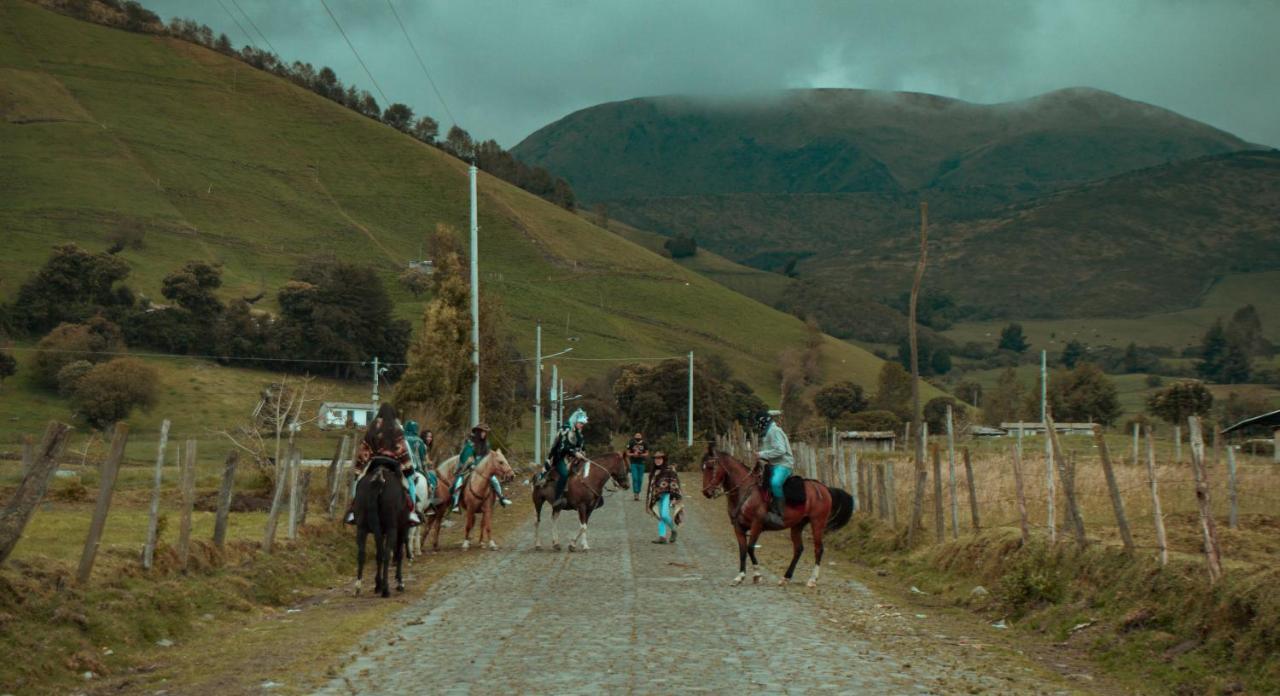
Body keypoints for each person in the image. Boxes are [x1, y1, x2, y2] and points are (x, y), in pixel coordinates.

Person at [345, 403, 420, 526]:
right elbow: (402, 450)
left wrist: (358, 469)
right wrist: (408, 468)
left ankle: (353, 510)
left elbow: (364, 449)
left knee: (358, 482)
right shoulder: (397, 428)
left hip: (375, 462)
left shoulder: (373, 427)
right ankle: (412, 512)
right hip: (393, 464)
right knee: (410, 483)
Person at [450, 423, 511, 512]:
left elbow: (488, 457)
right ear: (478, 432)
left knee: (494, 481)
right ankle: (455, 504)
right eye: (482, 432)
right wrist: (472, 464)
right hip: (469, 469)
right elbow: (465, 458)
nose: (484, 434)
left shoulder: (486, 445)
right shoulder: (470, 445)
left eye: (485, 432)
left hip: (483, 470)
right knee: (459, 482)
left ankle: (501, 497)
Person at [755, 410, 794, 527]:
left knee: (775, 483)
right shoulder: (768, 432)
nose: (757, 425)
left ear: (762, 421)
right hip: (773, 464)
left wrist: (761, 454)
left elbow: (781, 450)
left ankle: (780, 515)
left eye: (757, 422)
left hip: (784, 464)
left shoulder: (774, 431)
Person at [545, 408, 588, 507]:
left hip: (573, 458)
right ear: (575, 421)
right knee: (564, 474)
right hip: (559, 457)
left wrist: (583, 453)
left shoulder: (578, 432)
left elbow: (581, 445)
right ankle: (557, 498)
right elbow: (563, 447)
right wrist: (575, 453)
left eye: (583, 423)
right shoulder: (566, 429)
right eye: (581, 423)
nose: (582, 425)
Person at [646, 451, 683, 543]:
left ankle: (674, 530)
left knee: (664, 515)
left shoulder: (669, 470)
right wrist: (650, 498)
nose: (657, 460)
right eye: (656, 459)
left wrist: (675, 498)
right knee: (660, 516)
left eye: (660, 458)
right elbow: (651, 486)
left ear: (664, 459)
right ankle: (662, 537)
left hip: (667, 495)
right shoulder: (653, 472)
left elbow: (675, 484)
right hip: (658, 497)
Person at [625, 431, 649, 501]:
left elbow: (647, 453)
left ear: (641, 436)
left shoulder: (645, 443)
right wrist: (633, 454)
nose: (638, 436)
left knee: (640, 479)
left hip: (641, 463)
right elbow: (627, 453)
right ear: (634, 436)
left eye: (639, 435)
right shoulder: (631, 443)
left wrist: (641, 454)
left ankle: (638, 491)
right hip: (633, 463)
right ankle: (636, 493)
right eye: (637, 435)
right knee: (635, 478)